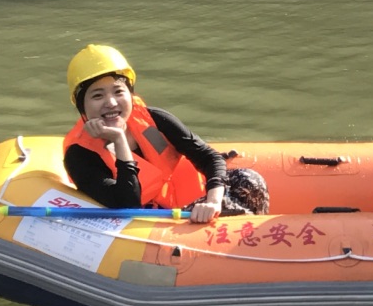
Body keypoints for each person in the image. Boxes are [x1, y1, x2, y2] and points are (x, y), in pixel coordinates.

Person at [62, 44, 269, 223]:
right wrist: (118, 139)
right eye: (98, 96)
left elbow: (209, 157)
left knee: (249, 180)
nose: (111, 103)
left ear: (130, 94)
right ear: (82, 106)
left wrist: (213, 201)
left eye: (118, 91)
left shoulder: (155, 120)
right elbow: (127, 204)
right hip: (151, 224)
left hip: (194, 206)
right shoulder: (80, 154)